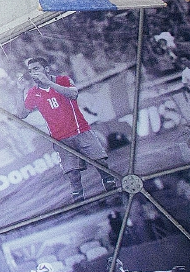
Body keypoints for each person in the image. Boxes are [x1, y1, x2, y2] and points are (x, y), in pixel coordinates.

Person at [17, 56, 118, 200]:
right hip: (60, 139)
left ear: (46, 69)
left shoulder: (62, 80)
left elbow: (73, 94)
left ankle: (109, 183)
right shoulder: (33, 92)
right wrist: (20, 92)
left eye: (36, 69)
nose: (33, 73)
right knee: (73, 174)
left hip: (80, 130)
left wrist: (49, 83)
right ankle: (80, 199)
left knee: (100, 161)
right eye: (30, 70)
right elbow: (21, 114)